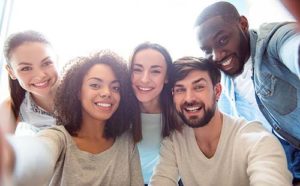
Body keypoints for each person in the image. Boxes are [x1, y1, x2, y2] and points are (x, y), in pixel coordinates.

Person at [194, 1, 300, 183]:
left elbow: (292, 47)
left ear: (243, 24)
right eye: (207, 51)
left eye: (222, 40)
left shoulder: (272, 42)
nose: (217, 56)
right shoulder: (223, 83)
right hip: (282, 162)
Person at [1, 50, 143, 185]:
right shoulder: (58, 137)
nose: (107, 93)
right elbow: (39, 152)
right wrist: (14, 159)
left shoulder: (126, 141)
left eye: (115, 88)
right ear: (77, 92)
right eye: (95, 85)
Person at [149, 56, 292, 186]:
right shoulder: (173, 143)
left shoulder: (257, 140)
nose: (189, 98)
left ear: (217, 91)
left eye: (199, 87)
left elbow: (270, 178)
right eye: (180, 90)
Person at [129, 42, 180, 185]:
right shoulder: (117, 110)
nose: (145, 79)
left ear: (166, 77)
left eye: (155, 71)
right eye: (137, 70)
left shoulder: (179, 113)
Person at [0, 30, 59, 135]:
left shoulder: (83, 90)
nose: (40, 75)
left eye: (46, 63)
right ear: (11, 72)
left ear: (56, 60)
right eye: (26, 68)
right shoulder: (11, 108)